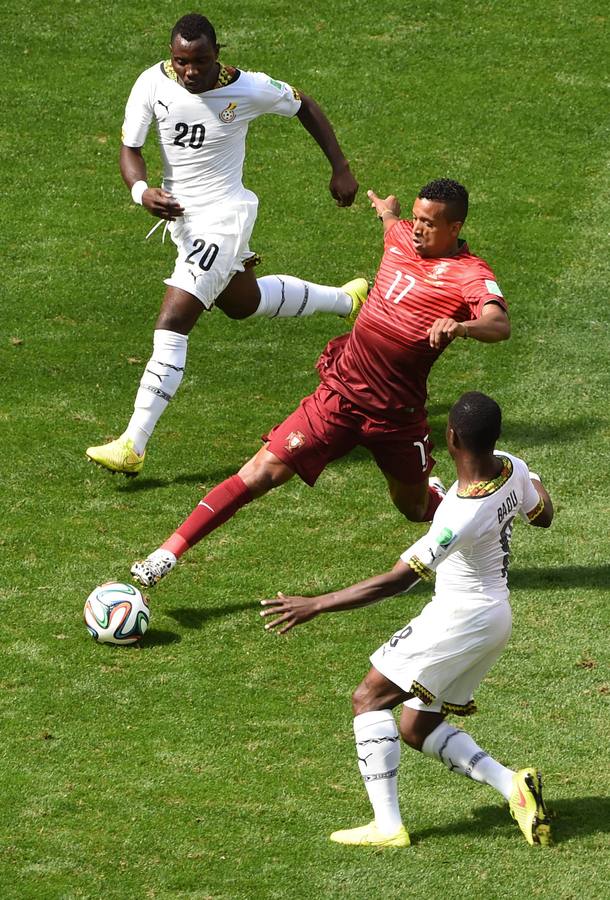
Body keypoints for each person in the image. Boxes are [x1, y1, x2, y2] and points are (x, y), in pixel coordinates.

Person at [129, 178, 511, 587]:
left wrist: (461, 326)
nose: (416, 228)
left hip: (396, 415)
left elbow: (499, 323)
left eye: (429, 224)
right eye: (415, 218)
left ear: (455, 228)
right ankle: (166, 554)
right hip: (339, 396)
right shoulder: (401, 235)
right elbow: (392, 224)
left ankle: (453, 501)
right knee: (260, 472)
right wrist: (387, 210)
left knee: (415, 508)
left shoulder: (469, 273)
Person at [261, 391, 554, 849]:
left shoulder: (457, 515)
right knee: (417, 727)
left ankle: (387, 826)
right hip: (496, 616)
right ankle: (513, 786)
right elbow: (544, 515)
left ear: (451, 436)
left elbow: (397, 581)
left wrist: (316, 604)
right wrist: (530, 478)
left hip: (460, 618)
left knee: (368, 698)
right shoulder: (512, 467)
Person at [86, 12, 362, 477]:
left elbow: (304, 105)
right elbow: (130, 149)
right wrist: (142, 191)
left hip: (225, 219)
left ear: (218, 55)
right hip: (185, 224)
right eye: (180, 62)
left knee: (173, 319)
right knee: (242, 302)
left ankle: (134, 442)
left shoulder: (249, 88)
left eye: (200, 62)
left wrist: (340, 167)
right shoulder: (152, 83)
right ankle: (346, 300)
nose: (190, 72)